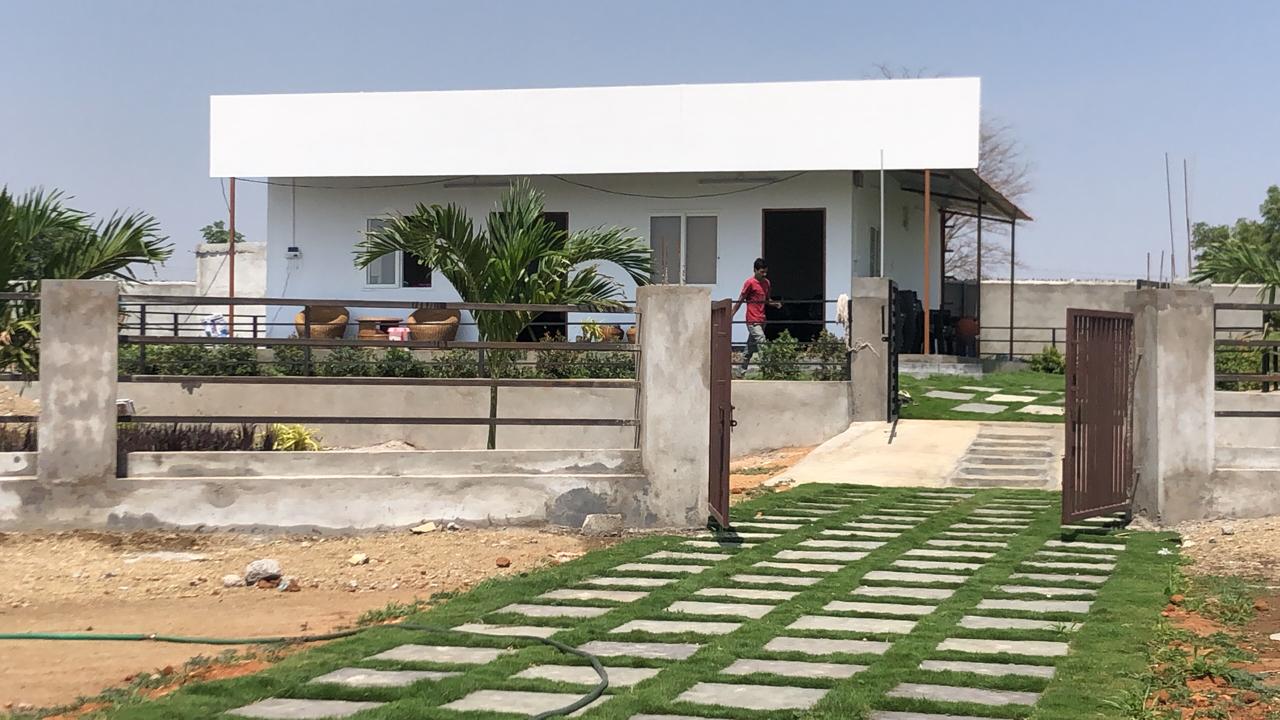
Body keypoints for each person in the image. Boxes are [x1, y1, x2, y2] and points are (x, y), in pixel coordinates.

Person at [732, 258, 781, 375]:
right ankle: (768, 370)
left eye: (765, 272)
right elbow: (741, 299)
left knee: (750, 347)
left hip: (762, 318)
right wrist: (732, 313)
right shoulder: (750, 283)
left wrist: (775, 304)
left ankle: (740, 372)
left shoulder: (766, 283)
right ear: (755, 270)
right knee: (761, 340)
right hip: (752, 319)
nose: (764, 274)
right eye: (761, 272)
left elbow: (767, 300)